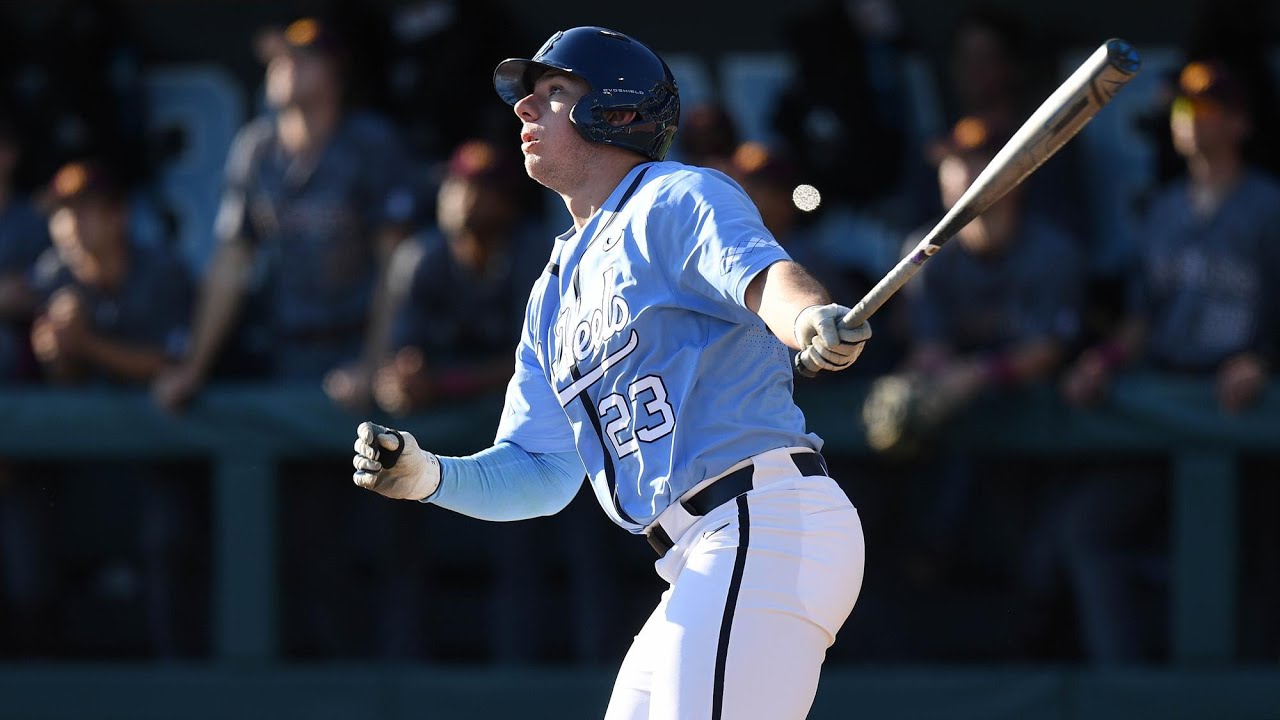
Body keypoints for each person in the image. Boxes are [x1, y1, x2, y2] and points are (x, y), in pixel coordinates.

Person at [351, 26, 871, 719]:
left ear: (619, 113)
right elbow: (540, 473)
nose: (525, 111)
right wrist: (428, 477)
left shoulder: (675, 196)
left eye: (553, 94)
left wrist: (808, 319)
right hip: (695, 555)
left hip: (762, 520)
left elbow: (768, 277)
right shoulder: (552, 289)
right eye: (528, 99)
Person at [1055, 59, 1279, 663]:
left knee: (1255, 562)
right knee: (1089, 528)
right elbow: (1144, 319)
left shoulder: (1267, 206)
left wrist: (1264, 359)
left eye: (1209, 107)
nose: (1193, 120)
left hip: (1247, 409)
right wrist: (1104, 360)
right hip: (1168, 403)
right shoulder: (1164, 210)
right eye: (1184, 108)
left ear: (1240, 122)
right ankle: (1127, 687)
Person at [152, 16, 418, 410]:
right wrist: (194, 366)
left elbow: (395, 263)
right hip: (284, 350)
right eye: (279, 60)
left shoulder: (369, 143)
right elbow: (231, 262)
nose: (285, 67)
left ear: (336, 74)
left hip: (356, 344)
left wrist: (373, 363)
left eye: (302, 58)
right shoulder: (256, 149)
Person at [373, 138, 542, 416]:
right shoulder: (420, 257)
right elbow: (399, 355)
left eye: (480, 186)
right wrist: (401, 379)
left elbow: (536, 363)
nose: (461, 196)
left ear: (509, 202)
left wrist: (445, 383)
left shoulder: (534, 254)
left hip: (511, 409)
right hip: (438, 409)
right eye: (454, 183)